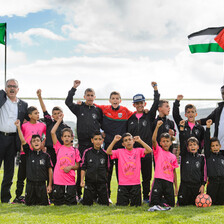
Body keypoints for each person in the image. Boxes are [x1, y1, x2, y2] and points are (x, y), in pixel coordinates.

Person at [65, 80, 102, 200]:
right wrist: (74, 88)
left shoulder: (98, 110)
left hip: (95, 144)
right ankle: (78, 194)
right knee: (81, 167)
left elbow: (102, 124)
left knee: (94, 168)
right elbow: (68, 102)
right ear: (84, 96)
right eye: (88, 95)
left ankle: (95, 194)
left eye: (92, 95)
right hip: (82, 144)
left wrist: (104, 133)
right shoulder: (79, 108)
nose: (90, 97)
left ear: (95, 97)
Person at [95, 90, 134, 202]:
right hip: (109, 147)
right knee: (107, 172)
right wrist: (81, 103)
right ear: (110, 100)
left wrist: (145, 111)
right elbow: (93, 104)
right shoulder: (105, 109)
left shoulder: (125, 111)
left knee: (122, 173)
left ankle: (125, 196)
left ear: (120, 100)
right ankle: (106, 197)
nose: (115, 100)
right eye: (113, 98)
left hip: (122, 148)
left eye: (117, 98)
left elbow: (136, 114)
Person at [127, 82, 160, 203]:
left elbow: (156, 103)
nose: (139, 105)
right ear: (134, 105)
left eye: (141, 103)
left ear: (144, 103)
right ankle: (131, 196)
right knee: (132, 175)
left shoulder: (149, 116)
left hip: (146, 151)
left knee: (147, 176)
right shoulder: (130, 119)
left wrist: (155, 89)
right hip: (133, 153)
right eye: (137, 103)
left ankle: (146, 196)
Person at [0, 79, 28, 203]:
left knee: (9, 171)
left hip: (13, 140)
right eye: (9, 86)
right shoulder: (1, 99)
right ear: (5, 88)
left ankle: (5, 198)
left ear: (18, 89)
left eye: (14, 86)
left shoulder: (23, 104)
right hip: (0, 138)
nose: (12, 88)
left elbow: (29, 119)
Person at [106, 133, 152, 206]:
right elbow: (108, 152)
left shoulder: (138, 151)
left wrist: (140, 141)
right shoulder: (119, 151)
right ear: (123, 144)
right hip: (123, 184)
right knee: (121, 205)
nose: (128, 142)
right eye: (126, 140)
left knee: (136, 205)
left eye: (130, 139)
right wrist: (114, 141)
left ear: (133, 141)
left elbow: (149, 150)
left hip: (135, 184)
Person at [13, 106, 46, 203]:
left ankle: (38, 195)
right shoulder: (24, 126)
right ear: (30, 115)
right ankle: (18, 196)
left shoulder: (42, 125)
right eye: (35, 113)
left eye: (38, 113)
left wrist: (43, 143)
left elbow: (47, 134)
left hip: (37, 154)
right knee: (21, 176)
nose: (38, 115)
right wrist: (21, 146)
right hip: (25, 153)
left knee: (35, 176)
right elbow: (20, 136)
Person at [14, 120, 52, 206]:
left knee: (43, 205)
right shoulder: (28, 153)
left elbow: (50, 171)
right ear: (30, 144)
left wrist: (49, 185)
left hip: (42, 186)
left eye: (38, 140)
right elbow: (23, 140)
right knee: (29, 204)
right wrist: (18, 127)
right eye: (34, 141)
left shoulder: (46, 156)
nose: (36, 142)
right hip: (30, 185)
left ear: (41, 143)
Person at [51, 114, 81, 205]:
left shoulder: (75, 150)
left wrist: (70, 167)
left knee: (71, 203)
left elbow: (77, 166)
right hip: (58, 179)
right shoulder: (58, 147)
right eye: (65, 136)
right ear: (62, 138)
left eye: (69, 136)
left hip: (70, 180)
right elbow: (52, 132)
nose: (67, 138)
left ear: (72, 138)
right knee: (58, 203)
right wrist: (59, 121)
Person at [149, 121, 178, 210]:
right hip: (158, 180)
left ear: (170, 143)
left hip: (169, 182)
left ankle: (163, 202)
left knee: (171, 204)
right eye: (163, 141)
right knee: (153, 203)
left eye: (167, 141)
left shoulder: (173, 156)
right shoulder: (158, 151)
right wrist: (157, 127)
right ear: (160, 143)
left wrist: (176, 187)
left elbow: (174, 172)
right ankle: (158, 201)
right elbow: (153, 140)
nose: (165, 143)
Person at [37, 89, 70, 167]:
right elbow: (44, 110)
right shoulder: (49, 123)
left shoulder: (66, 127)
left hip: (61, 151)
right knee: (50, 170)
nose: (57, 115)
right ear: (52, 116)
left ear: (63, 114)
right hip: (50, 150)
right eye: (55, 114)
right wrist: (39, 97)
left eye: (59, 113)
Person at [177, 120, 206, 206]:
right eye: (190, 145)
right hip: (185, 186)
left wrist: (202, 185)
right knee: (182, 205)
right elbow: (182, 141)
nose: (192, 146)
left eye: (194, 144)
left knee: (196, 204)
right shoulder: (184, 155)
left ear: (198, 146)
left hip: (196, 187)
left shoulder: (201, 158)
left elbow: (203, 173)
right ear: (188, 147)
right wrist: (181, 130)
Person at [80, 132, 109, 206]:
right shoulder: (87, 152)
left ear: (102, 141)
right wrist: (82, 180)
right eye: (96, 139)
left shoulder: (105, 154)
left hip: (101, 183)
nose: (98, 141)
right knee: (86, 204)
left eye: (100, 139)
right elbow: (83, 167)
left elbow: (107, 168)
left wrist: (105, 179)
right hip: (90, 183)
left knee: (104, 204)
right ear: (92, 140)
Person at [199, 85, 224, 156]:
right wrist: (192, 122)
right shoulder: (219, 110)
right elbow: (207, 120)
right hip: (219, 148)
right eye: (222, 93)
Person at [204, 119, 224, 205]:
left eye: (216, 145)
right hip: (212, 183)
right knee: (212, 203)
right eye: (213, 146)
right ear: (210, 147)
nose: (215, 147)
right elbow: (206, 142)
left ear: (220, 146)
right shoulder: (208, 155)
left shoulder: (222, 156)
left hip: (222, 183)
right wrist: (208, 128)